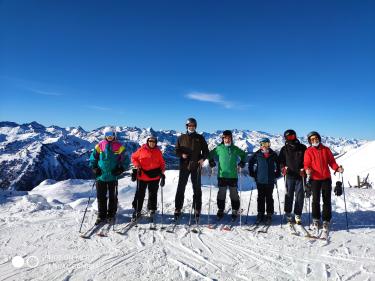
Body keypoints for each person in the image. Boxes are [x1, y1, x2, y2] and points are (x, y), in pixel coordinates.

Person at [304, 131, 344, 231]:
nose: (314, 140)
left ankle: (326, 220)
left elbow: (331, 162)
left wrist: (337, 168)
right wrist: (307, 169)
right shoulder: (308, 151)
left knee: (327, 200)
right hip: (315, 179)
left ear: (319, 139)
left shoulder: (326, 149)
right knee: (315, 200)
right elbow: (306, 164)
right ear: (310, 141)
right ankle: (316, 219)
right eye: (312, 139)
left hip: (326, 178)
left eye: (316, 138)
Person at [89, 127, 129, 225]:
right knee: (101, 197)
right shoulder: (99, 146)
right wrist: (94, 168)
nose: (109, 136)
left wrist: (121, 169)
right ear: (105, 135)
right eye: (107, 134)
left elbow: (126, 160)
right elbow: (93, 158)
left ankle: (111, 214)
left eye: (111, 134)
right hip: (101, 176)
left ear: (114, 135)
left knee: (113, 197)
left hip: (112, 176)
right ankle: (101, 215)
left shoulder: (119, 146)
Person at [174, 118, 209, 221]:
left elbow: (206, 151)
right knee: (181, 187)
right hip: (184, 165)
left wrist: (203, 158)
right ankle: (178, 208)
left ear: (195, 126)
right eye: (189, 125)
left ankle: (197, 209)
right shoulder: (181, 137)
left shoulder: (200, 137)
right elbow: (176, 150)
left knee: (197, 188)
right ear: (187, 126)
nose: (191, 127)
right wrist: (181, 154)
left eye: (193, 125)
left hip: (196, 165)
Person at [208, 130, 246, 220]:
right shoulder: (219, 148)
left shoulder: (235, 148)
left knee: (234, 194)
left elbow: (244, 155)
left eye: (228, 138)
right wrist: (211, 161)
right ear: (223, 139)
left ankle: (235, 210)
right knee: (221, 194)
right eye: (225, 138)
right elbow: (210, 154)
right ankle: (221, 209)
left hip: (233, 176)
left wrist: (242, 162)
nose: (227, 140)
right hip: (222, 175)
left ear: (231, 139)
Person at [131, 135, 166, 220]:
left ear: (156, 143)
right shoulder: (141, 150)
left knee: (153, 194)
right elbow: (133, 157)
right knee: (140, 194)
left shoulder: (158, 152)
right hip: (142, 176)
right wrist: (137, 165)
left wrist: (162, 172)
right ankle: (137, 210)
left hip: (155, 177)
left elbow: (162, 163)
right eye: (150, 141)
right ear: (147, 142)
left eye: (153, 141)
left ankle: (152, 209)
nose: (152, 143)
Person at [248, 137, 280, 224]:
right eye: (263, 144)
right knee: (260, 197)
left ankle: (269, 214)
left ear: (269, 144)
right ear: (260, 145)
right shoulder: (257, 154)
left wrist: (277, 173)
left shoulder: (273, 154)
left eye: (266, 144)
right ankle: (260, 213)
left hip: (270, 179)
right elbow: (250, 162)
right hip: (260, 179)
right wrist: (252, 172)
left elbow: (278, 163)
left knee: (269, 197)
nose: (265, 146)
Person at [278, 129, 307, 225]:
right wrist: (283, 168)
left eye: (292, 136)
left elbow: (307, 161)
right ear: (285, 138)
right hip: (289, 175)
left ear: (295, 136)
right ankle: (288, 213)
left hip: (300, 175)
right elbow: (281, 161)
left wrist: (304, 169)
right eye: (289, 137)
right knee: (289, 195)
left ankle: (297, 214)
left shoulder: (303, 147)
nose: (291, 138)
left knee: (300, 196)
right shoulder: (284, 149)